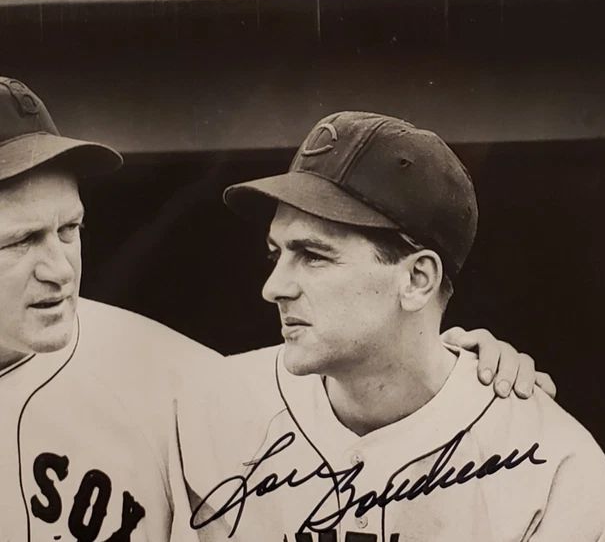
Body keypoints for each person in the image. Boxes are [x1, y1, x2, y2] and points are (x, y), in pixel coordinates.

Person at [0, 78, 552, 542]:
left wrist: (462, 374)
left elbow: (373, 405)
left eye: (69, 229)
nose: (60, 269)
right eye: (19, 241)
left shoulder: (178, 383)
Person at [193, 111, 605, 541]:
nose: (274, 288)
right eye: (276, 254)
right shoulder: (210, 410)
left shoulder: (551, 460)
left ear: (417, 280)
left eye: (313, 256)